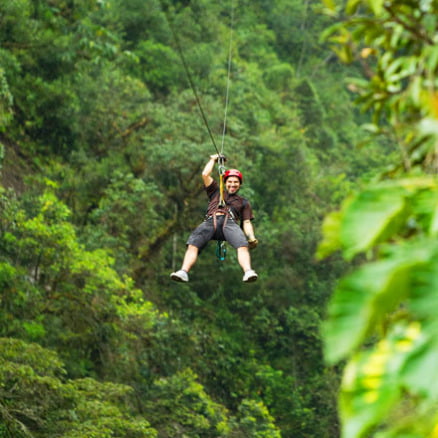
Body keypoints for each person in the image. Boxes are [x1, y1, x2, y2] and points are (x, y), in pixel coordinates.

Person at [170, 154, 258, 283]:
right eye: (230, 182)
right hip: (211, 221)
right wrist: (213, 160)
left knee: (242, 246)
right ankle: (183, 271)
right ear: (225, 182)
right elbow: (205, 175)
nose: (232, 185)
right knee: (193, 245)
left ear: (239, 185)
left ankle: (248, 271)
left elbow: (246, 221)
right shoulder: (216, 191)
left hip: (230, 224)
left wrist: (251, 237)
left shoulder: (243, 202)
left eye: (236, 183)